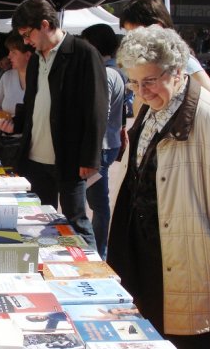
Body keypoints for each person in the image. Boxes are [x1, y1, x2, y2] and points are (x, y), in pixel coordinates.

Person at [107, 25, 210, 349]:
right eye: (134, 83)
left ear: (176, 71)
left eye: (149, 81)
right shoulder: (151, 107)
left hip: (191, 266)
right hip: (146, 256)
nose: (142, 92)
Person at [0, 0, 108, 243]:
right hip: (36, 156)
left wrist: (90, 157)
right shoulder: (36, 58)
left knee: (75, 223)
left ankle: (94, 272)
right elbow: (33, 103)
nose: (26, 42)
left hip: (68, 158)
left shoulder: (83, 54)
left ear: (45, 25)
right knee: (39, 224)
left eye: (27, 34)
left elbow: (96, 109)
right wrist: (15, 123)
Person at [119, 0, 210, 116]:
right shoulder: (140, 64)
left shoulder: (181, 61)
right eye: (128, 34)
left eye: (135, 33)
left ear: (158, 26)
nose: (131, 40)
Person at [80, 24, 126, 260]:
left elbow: (101, 114)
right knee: (97, 201)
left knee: (97, 202)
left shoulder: (105, 73)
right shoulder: (113, 71)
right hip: (107, 143)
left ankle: (99, 251)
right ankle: (99, 249)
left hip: (101, 146)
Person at [0, 32, 34, 167]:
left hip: (31, 149)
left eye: (13, 52)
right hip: (7, 146)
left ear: (27, 55)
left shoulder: (40, 79)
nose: (9, 56)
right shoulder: (7, 76)